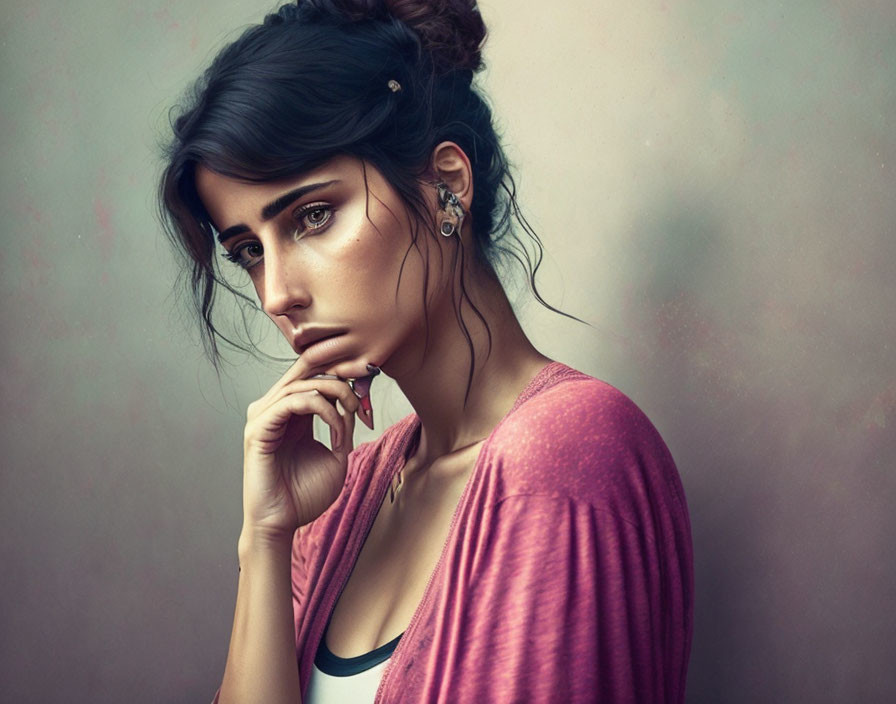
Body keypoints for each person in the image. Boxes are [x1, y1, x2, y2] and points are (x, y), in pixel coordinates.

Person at [158, 1, 693, 702]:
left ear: (447, 183)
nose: (277, 294)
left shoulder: (566, 453)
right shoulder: (351, 490)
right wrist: (264, 538)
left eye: (313, 216)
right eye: (249, 252)